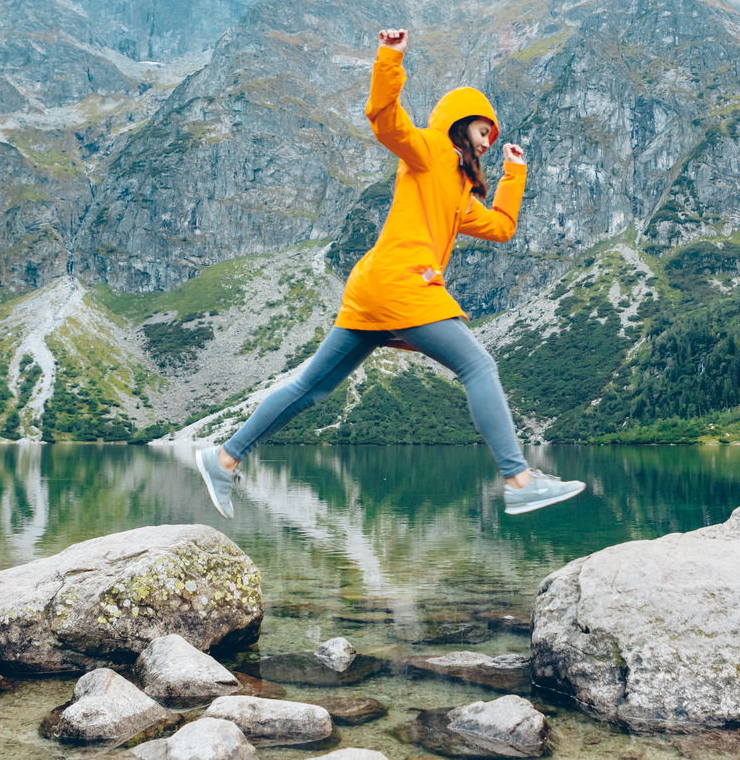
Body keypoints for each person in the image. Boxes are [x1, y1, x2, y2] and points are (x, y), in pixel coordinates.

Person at [196, 28, 585, 517]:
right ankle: (519, 479)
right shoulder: (427, 153)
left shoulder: (460, 193)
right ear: (460, 125)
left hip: (375, 292)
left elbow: (502, 228)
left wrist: (514, 175)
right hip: (401, 284)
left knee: (310, 388)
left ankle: (224, 457)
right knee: (478, 367)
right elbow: (384, 120)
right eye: (485, 132)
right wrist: (390, 57)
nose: (489, 143)